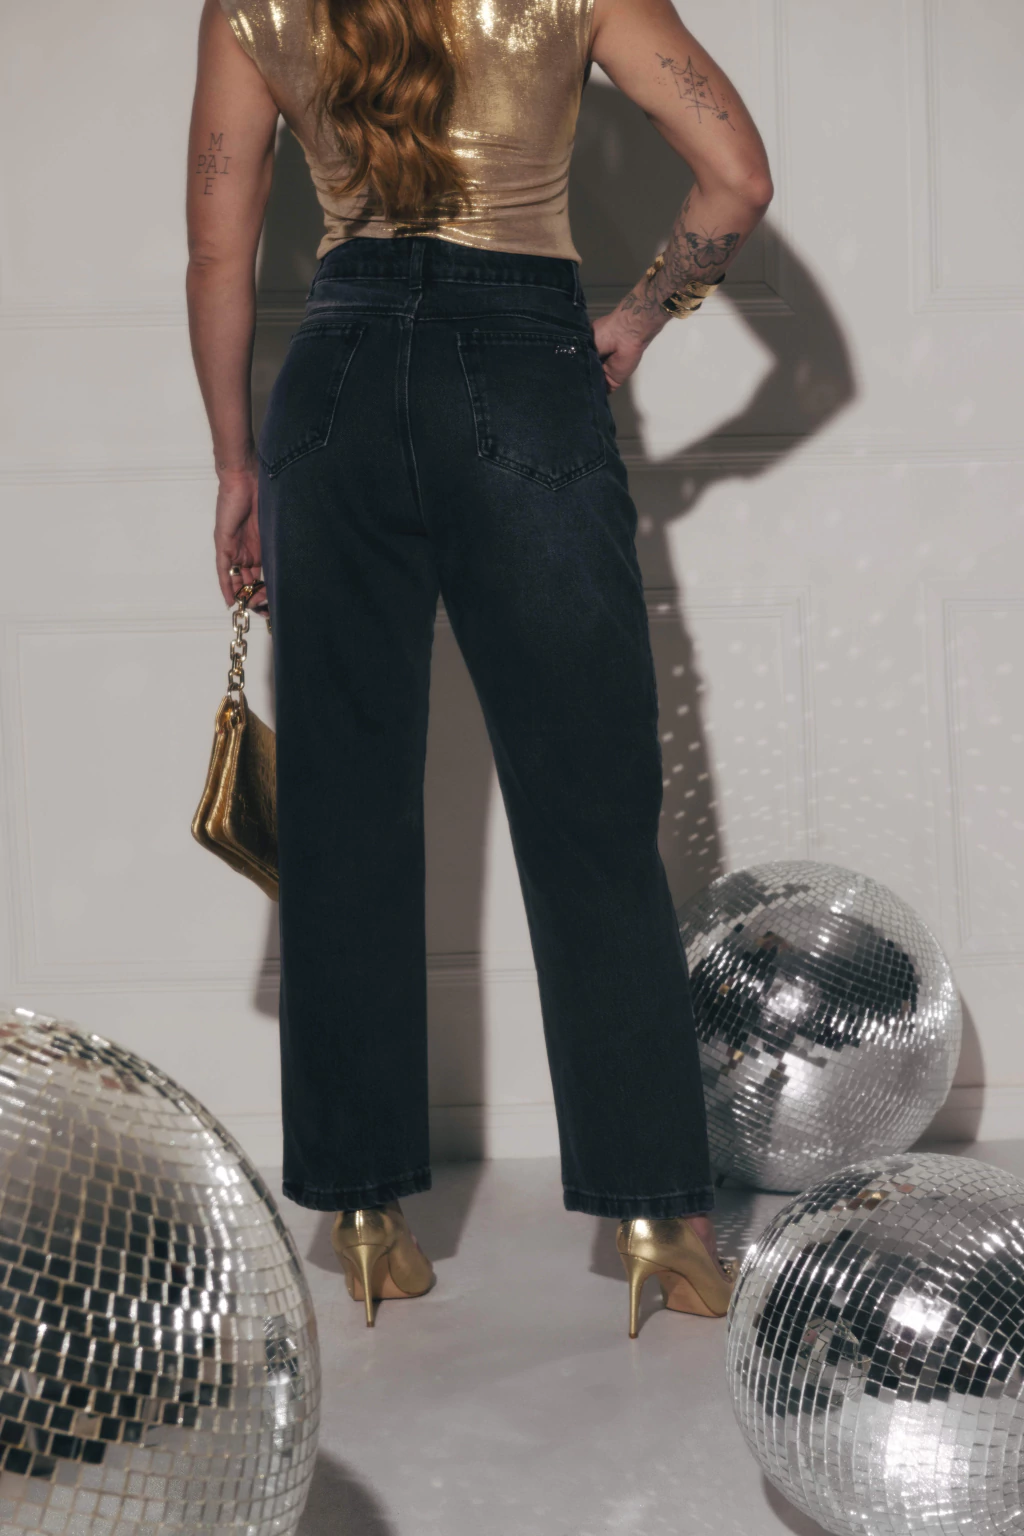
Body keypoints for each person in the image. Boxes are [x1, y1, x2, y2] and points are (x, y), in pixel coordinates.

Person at [185, 0, 772, 1337]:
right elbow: (737, 177)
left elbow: (217, 250)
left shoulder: (250, 7)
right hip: (523, 375)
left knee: (343, 810)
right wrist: (640, 319)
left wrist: (234, 464)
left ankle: (365, 1218)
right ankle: (654, 1222)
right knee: (590, 809)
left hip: (332, 390)